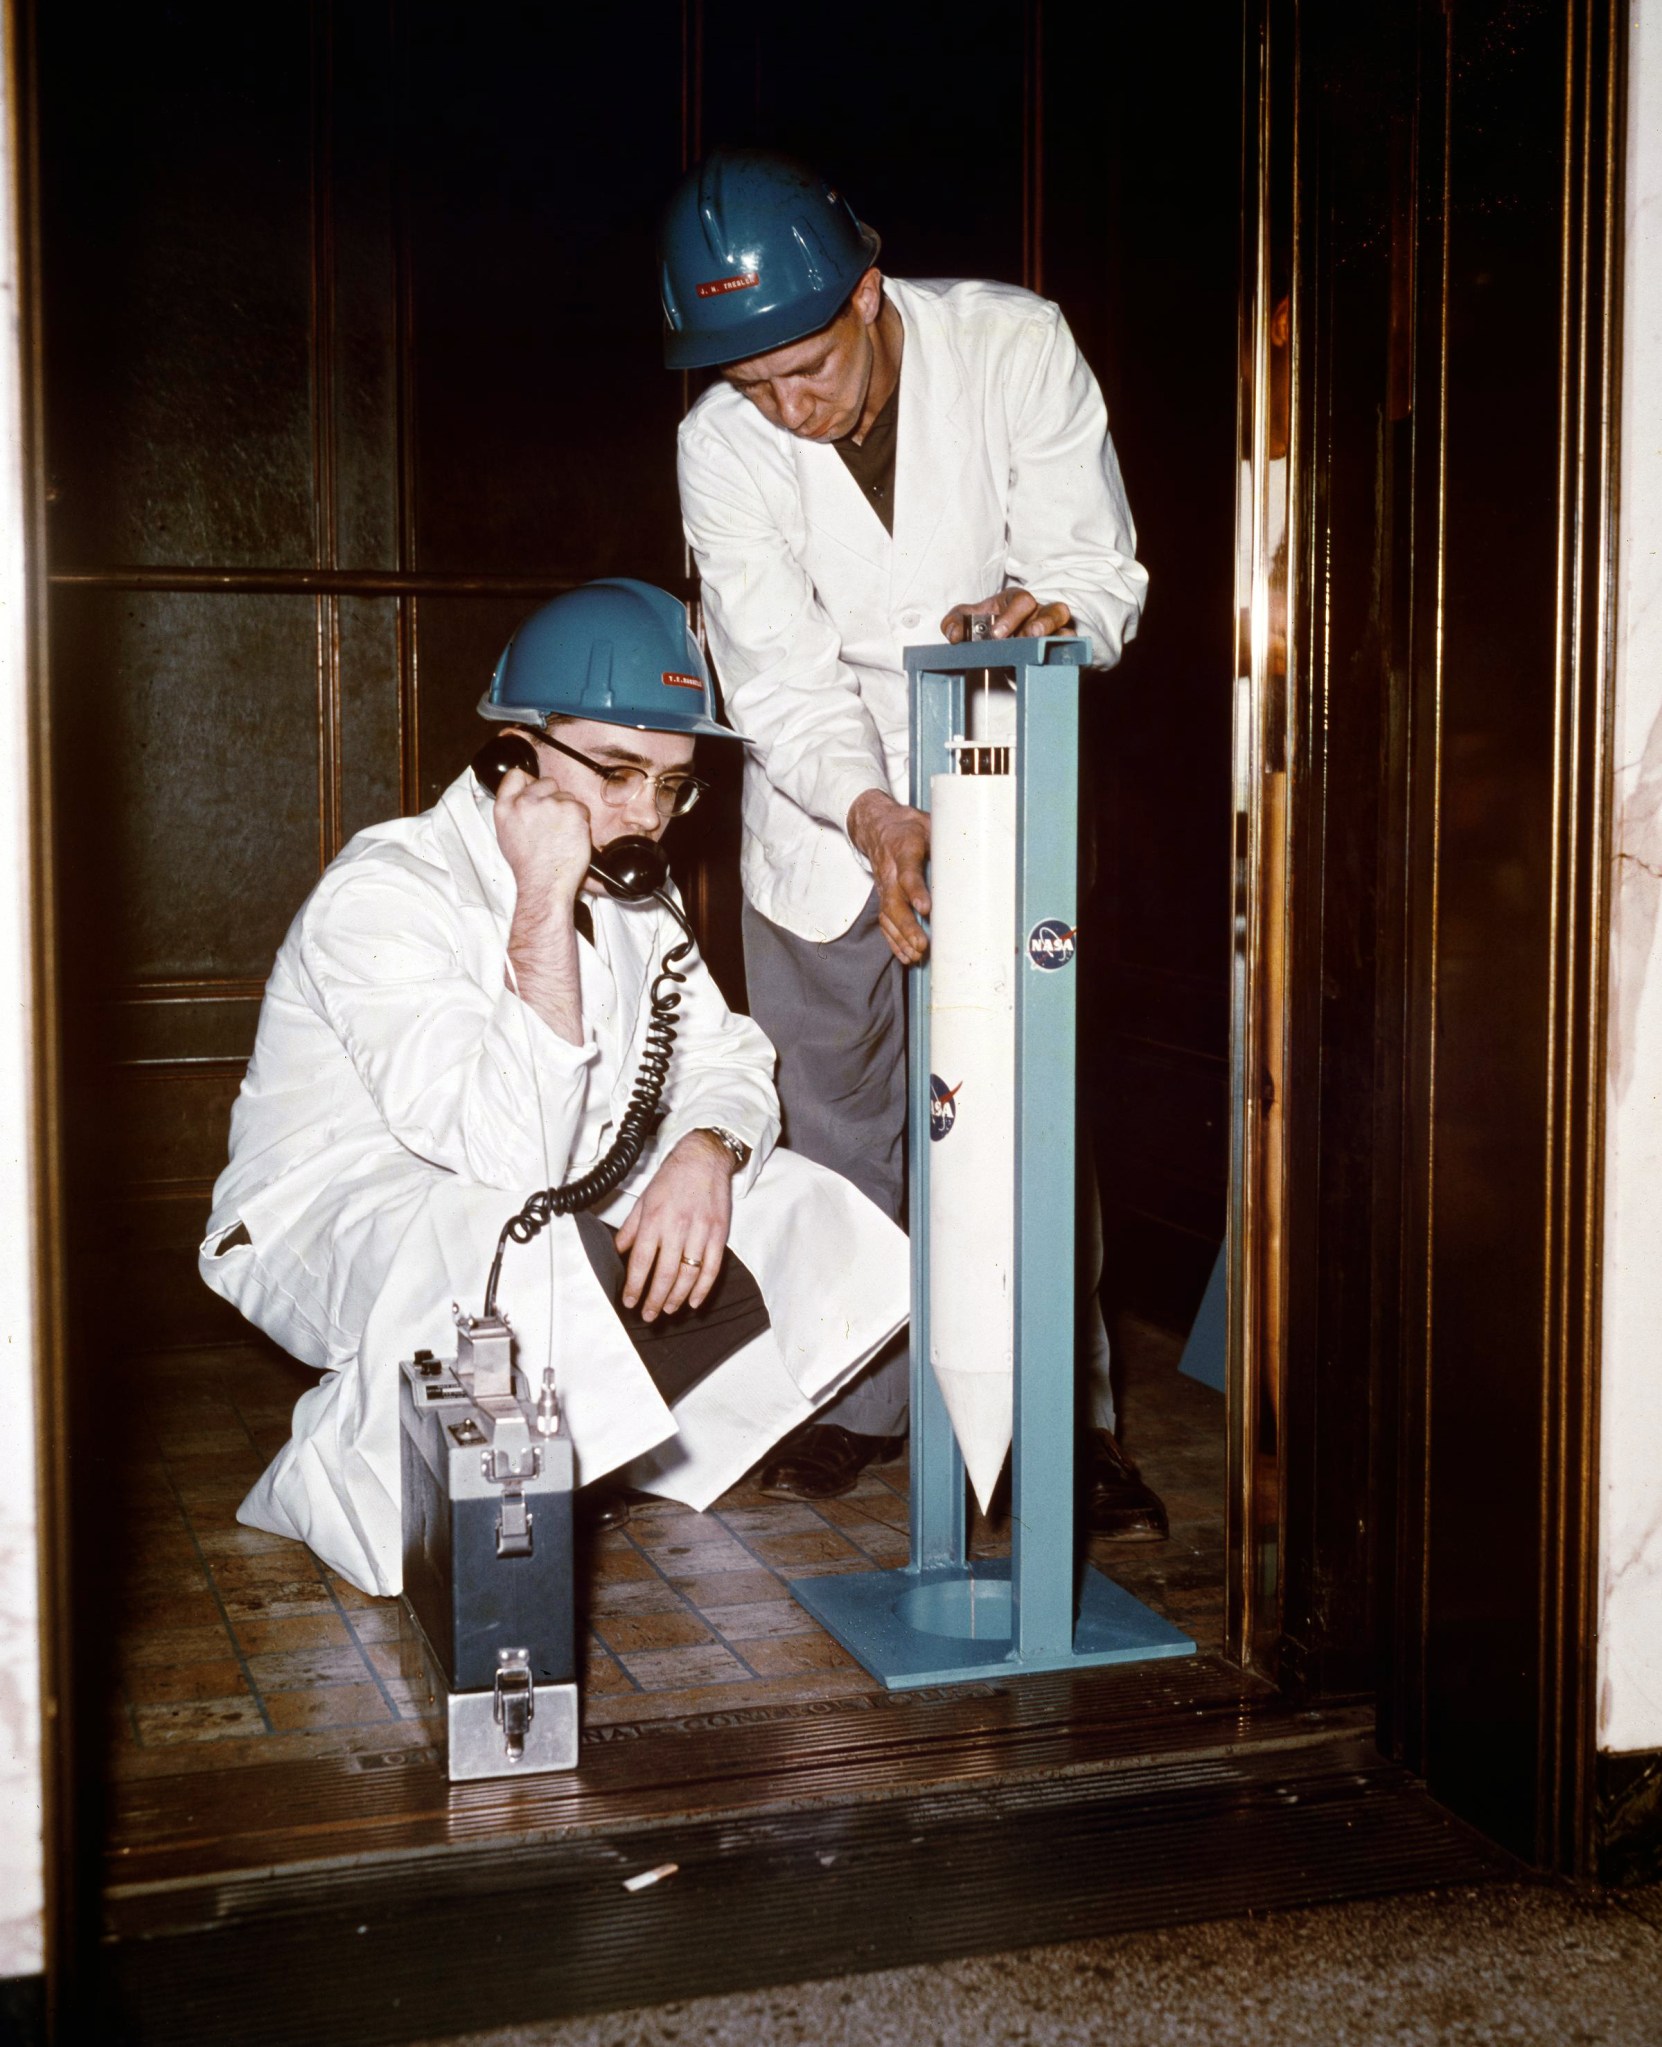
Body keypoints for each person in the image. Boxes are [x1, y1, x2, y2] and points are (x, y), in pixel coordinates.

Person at [199, 578, 910, 1597]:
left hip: (533, 1188)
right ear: (514, 752)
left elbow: (731, 1056)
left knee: (792, 1202)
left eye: (672, 784)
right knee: (505, 1235)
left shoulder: (631, 889)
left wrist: (710, 1147)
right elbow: (503, 1155)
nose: (646, 817)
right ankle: (337, 1476)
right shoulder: (387, 891)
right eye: (618, 772)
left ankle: (602, 1451)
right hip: (335, 1215)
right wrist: (539, 903)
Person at [662, 148, 1164, 1533]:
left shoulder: (1014, 344)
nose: (785, 407)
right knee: (834, 1135)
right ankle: (848, 1405)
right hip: (826, 812)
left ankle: (1063, 1427)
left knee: (1022, 1121)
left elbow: (1099, 568)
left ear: (871, 295)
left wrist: (1045, 612)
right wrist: (872, 810)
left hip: (1006, 770)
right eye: (754, 383)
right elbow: (772, 674)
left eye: (805, 369)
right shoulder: (722, 439)